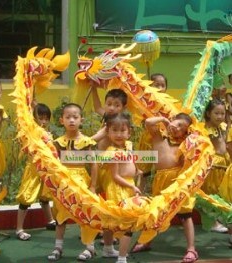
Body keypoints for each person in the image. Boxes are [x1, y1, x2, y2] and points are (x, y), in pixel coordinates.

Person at [135, 112, 198, 262]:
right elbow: (149, 122)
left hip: (178, 181)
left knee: (185, 215)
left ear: (185, 132)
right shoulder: (158, 136)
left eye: (181, 127)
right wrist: (163, 119)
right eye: (176, 123)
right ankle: (146, 241)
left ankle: (191, 249)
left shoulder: (185, 144)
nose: (176, 127)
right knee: (155, 212)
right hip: (160, 180)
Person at [77, 87, 128, 261]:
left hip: (112, 171)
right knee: (95, 207)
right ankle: (89, 247)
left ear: (123, 108)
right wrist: (92, 88)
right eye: (109, 104)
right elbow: (97, 109)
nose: (112, 107)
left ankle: (108, 247)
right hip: (99, 169)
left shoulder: (121, 124)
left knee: (107, 210)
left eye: (116, 105)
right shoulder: (107, 124)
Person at [48, 103, 98, 261]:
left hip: (81, 181)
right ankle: (58, 247)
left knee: (84, 214)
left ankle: (90, 247)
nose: (71, 120)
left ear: (81, 120)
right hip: (63, 181)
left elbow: (94, 164)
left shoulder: (86, 141)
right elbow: (52, 162)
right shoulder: (57, 142)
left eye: (75, 117)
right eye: (68, 117)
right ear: (61, 120)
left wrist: (93, 186)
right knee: (61, 215)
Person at [103, 113, 141, 263]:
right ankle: (122, 257)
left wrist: (137, 170)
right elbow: (115, 176)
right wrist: (131, 185)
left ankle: (108, 249)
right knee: (127, 223)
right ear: (108, 132)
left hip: (129, 185)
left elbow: (131, 161)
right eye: (115, 130)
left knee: (112, 219)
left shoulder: (128, 146)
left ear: (129, 132)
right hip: (119, 187)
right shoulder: (112, 152)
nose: (119, 134)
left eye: (122, 130)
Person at [16, 103, 56, 241]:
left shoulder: (45, 132)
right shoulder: (31, 131)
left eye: (46, 118)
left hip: (45, 169)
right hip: (33, 169)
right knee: (26, 199)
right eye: (41, 118)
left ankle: (50, 221)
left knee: (44, 197)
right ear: (34, 118)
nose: (44, 121)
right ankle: (19, 228)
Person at [201, 98, 229, 233]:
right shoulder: (206, 129)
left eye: (222, 113)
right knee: (211, 193)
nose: (219, 116)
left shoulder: (222, 127)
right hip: (213, 165)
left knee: (221, 193)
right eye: (216, 113)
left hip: (223, 164)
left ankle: (221, 220)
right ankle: (213, 222)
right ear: (208, 114)